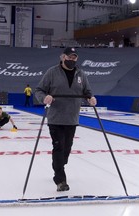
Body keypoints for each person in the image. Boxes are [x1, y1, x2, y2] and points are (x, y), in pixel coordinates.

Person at [35, 47, 97, 192]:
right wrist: (45, 98)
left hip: (72, 118)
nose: (72, 60)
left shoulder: (81, 74)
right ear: (63, 57)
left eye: (74, 57)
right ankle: (60, 180)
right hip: (56, 118)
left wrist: (91, 98)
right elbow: (39, 90)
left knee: (66, 150)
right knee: (59, 147)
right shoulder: (52, 72)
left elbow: (87, 92)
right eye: (69, 57)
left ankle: (59, 165)